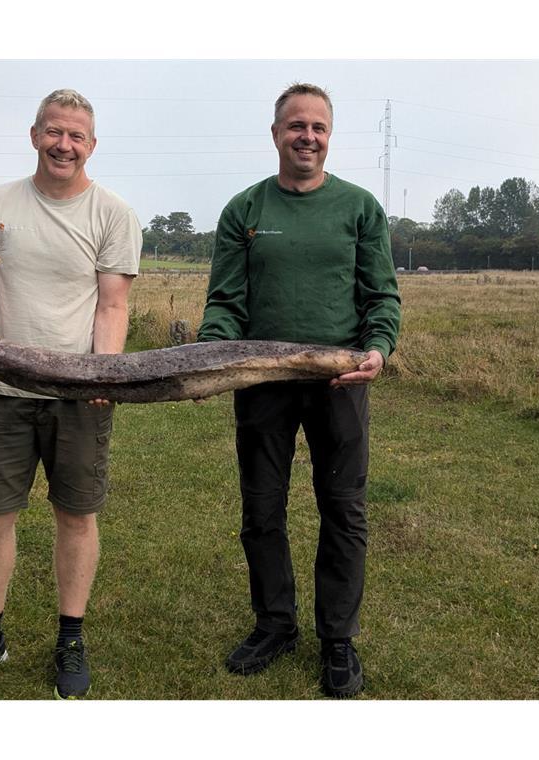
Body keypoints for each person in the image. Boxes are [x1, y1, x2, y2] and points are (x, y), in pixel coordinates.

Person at [0, 89, 142, 699]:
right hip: (3, 388)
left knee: (76, 514)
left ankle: (70, 634)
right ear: (34, 134)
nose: (63, 145)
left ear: (91, 145)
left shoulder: (113, 213)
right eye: (54, 132)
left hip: (80, 393)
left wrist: (105, 375)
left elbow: (113, 304)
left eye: (75, 136)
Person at [197, 83, 401, 698]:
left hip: (339, 378)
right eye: (295, 126)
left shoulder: (360, 208)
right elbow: (227, 303)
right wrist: (212, 353)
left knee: (343, 508)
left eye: (317, 127)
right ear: (276, 134)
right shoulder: (245, 210)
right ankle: (275, 624)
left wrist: (378, 349)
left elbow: (381, 296)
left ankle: (337, 640)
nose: (306, 137)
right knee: (262, 509)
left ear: (329, 136)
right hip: (261, 380)